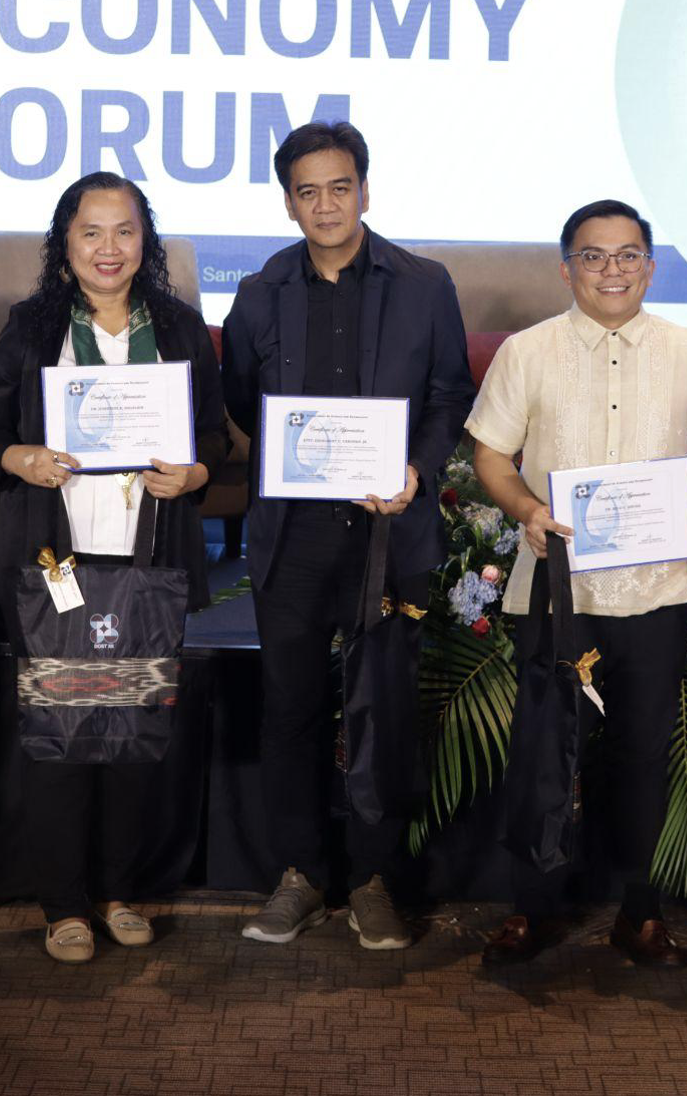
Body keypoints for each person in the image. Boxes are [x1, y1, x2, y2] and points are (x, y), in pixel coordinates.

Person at [220, 121, 476, 949]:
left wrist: (418, 473)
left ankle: (373, 881)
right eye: (307, 191)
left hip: (387, 537)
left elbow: (448, 396)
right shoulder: (260, 292)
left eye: (340, 187)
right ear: (288, 201)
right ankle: (297, 876)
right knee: (290, 710)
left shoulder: (424, 283)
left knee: (384, 714)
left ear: (364, 190)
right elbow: (240, 399)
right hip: (292, 538)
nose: (325, 205)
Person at [468, 200, 687, 968]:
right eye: (594, 256)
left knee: (643, 756)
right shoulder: (528, 352)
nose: (612, 270)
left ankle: (641, 913)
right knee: (544, 752)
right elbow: (491, 452)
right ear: (567, 268)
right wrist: (524, 507)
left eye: (628, 256)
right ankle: (530, 909)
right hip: (558, 594)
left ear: (650, 267)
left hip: (655, 591)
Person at [0, 172, 228, 964]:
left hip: (149, 556)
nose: (108, 248)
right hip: (57, 561)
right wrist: (20, 455)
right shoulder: (33, 325)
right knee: (62, 732)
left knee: (134, 731)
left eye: (124, 231)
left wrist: (195, 475)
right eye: (91, 232)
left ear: (144, 241)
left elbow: (213, 439)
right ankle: (64, 903)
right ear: (65, 242)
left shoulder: (182, 329)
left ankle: (118, 890)